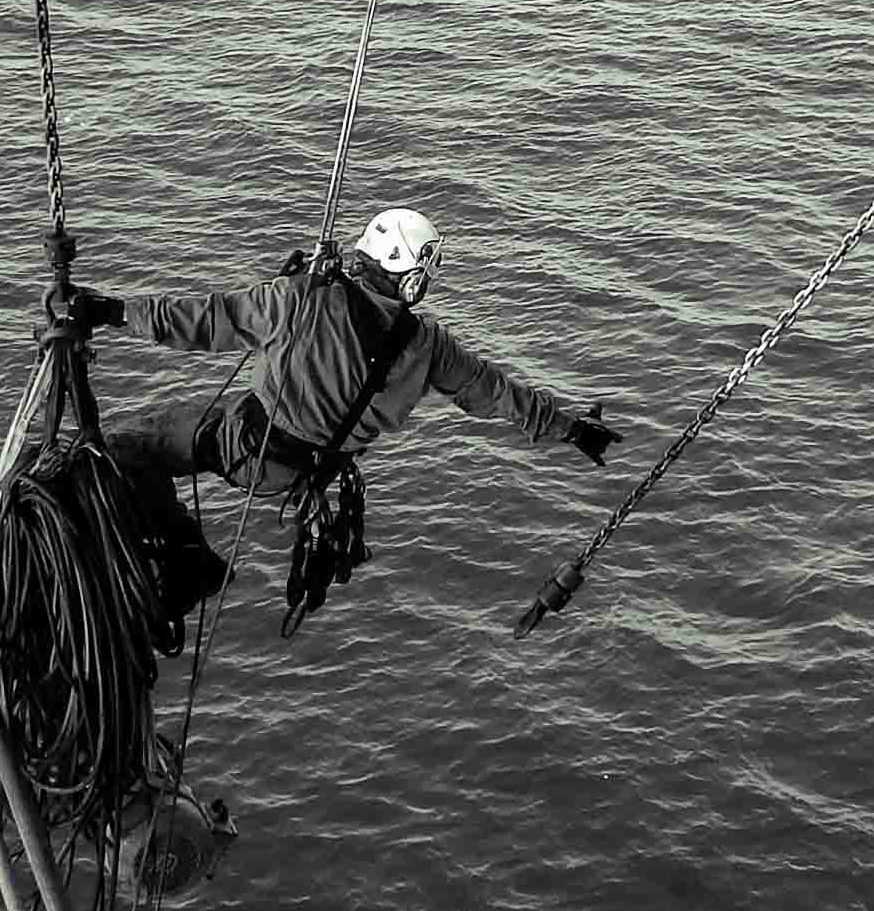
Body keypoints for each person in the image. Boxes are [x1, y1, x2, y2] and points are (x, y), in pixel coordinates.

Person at [66, 205, 619, 627]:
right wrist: (570, 428)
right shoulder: (427, 344)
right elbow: (496, 391)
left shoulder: (305, 297)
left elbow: (209, 319)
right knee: (194, 425)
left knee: (121, 449)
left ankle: (191, 560)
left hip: (248, 445)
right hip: (307, 472)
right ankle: (189, 560)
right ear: (409, 275)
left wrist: (113, 312)